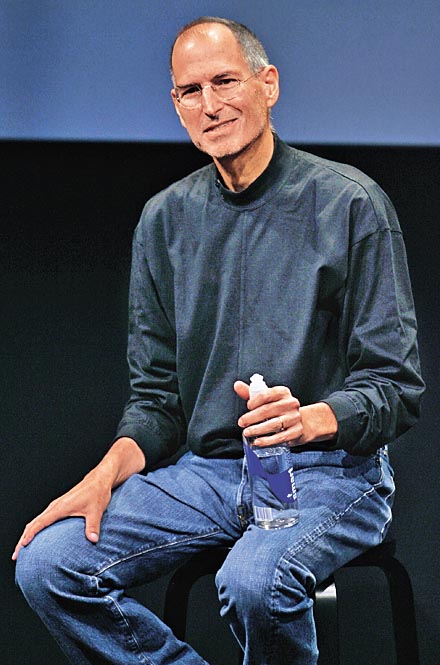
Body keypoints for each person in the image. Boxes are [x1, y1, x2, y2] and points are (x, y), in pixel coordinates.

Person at [14, 16, 424, 665]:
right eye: (191, 90)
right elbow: (156, 402)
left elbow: (396, 386)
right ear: (176, 105)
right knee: (49, 563)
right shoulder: (165, 219)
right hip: (208, 472)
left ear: (268, 85)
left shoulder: (349, 204)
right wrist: (103, 475)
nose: (210, 105)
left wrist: (310, 419)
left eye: (225, 81)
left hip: (328, 472)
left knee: (255, 582)